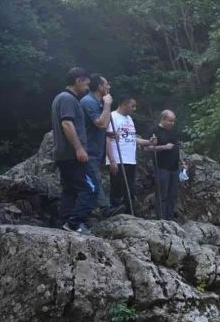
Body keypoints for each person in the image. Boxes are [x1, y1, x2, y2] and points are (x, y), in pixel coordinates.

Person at [51, 67, 95, 234]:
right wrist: (79, 149)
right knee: (89, 189)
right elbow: (67, 124)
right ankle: (74, 223)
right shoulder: (68, 99)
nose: (87, 88)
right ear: (78, 81)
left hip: (63, 155)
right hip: (72, 154)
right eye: (86, 84)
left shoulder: (60, 98)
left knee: (70, 190)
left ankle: (64, 223)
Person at [79, 73, 122, 218]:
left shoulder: (98, 103)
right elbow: (102, 123)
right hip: (88, 149)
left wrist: (108, 134)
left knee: (92, 180)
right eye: (107, 84)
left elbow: (99, 127)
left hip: (96, 149)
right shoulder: (88, 101)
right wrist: (108, 104)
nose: (109, 87)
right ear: (99, 86)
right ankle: (104, 209)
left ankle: (95, 212)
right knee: (93, 180)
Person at [105, 95, 156, 214]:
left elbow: (132, 138)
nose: (134, 109)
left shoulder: (129, 119)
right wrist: (111, 160)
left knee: (130, 188)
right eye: (132, 106)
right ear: (124, 104)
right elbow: (107, 138)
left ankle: (129, 212)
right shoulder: (112, 117)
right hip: (117, 157)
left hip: (130, 159)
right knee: (117, 186)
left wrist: (148, 142)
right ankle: (115, 211)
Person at [146, 110, 187, 220]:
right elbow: (147, 148)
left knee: (172, 195)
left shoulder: (172, 132)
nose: (172, 123)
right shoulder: (154, 131)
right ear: (163, 119)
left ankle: (170, 218)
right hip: (161, 167)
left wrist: (181, 162)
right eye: (170, 121)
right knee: (162, 195)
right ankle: (161, 219)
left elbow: (176, 148)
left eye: (173, 121)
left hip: (174, 167)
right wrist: (163, 147)